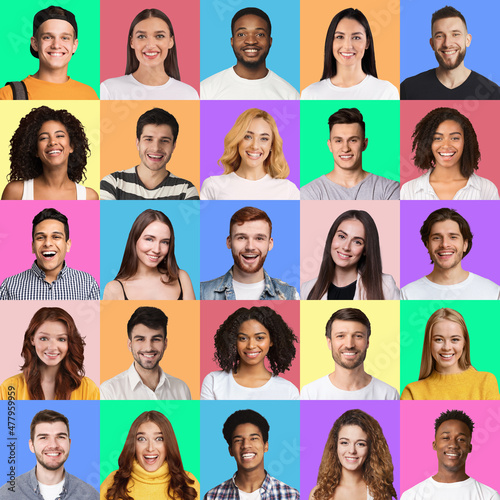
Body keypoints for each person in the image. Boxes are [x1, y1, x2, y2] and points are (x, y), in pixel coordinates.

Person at [401, 6, 500, 100]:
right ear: (432, 44)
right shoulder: (408, 89)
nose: (447, 44)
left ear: (468, 40)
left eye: (455, 34)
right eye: (440, 36)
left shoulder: (493, 94)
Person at [200, 206, 299, 300]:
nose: (250, 247)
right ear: (229, 242)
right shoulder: (202, 292)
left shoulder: (289, 294)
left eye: (259, 238)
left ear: (270, 244)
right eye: (241, 238)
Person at [0, 6, 98, 100]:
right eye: (48, 37)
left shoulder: (89, 95)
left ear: (74, 45)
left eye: (65, 38)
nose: (56, 45)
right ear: (35, 43)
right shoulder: (8, 96)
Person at [0, 307, 98, 400]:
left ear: (70, 342)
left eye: (61, 339)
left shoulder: (88, 389)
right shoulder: (10, 388)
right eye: (43, 338)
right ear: (32, 339)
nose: (52, 347)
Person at [201, 306, 299, 400]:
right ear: (233, 341)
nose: (251, 345)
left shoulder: (288, 391)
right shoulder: (214, 381)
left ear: (272, 341)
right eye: (243, 338)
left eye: (259, 338)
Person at [0, 208, 99, 300]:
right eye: (40, 237)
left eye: (56, 237)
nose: (47, 243)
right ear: (33, 246)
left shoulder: (88, 284)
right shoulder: (9, 286)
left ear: (68, 245)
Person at [100, 108, 199, 200]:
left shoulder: (186, 190)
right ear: (138, 143)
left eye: (164, 140)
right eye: (148, 139)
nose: (156, 148)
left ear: (173, 146)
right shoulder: (113, 183)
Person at [401, 107, 499, 200]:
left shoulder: (487, 189)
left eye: (455, 138)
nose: (446, 145)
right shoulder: (409, 190)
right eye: (438, 138)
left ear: (466, 142)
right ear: (428, 143)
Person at [401, 208, 500, 300]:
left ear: (465, 244)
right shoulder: (407, 294)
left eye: (453, 237)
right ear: (427, 245)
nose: (444, 244)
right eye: (436, 238)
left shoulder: (492, 293)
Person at [2, 106, 98, 200]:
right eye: (43, 138)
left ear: (71, 146)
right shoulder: (16, 192)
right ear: (35, 150)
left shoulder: (89, 197)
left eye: (59, 135)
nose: (52, 142)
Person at [200, 7, 299, 100]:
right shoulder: (206, 90)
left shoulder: (290, 95)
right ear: (232, 41)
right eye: (241, 34)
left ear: (270, 41)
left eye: (260, 34)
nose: (251, 41)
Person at [200, 109, 299, 200]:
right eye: (248, 137)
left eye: (264, 138)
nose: (255, 146)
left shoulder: (288, 190)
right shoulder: (213, 186)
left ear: (271, 146)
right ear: (237, 141)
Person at [301, 108, 399, 200]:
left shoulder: (389, 189)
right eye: (338, 141)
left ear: (364, 144)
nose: (345, 149)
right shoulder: (309, 192)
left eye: (353, 140)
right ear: (330, 145)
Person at [401, 308, 499, 400]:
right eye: (438, 339)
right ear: (429, 343)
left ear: (464, 342)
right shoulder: (412, 392)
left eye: (455, 339)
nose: (447, 347)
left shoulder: (486, 382)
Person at [100, 8, 198, 100]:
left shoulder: (188, 95)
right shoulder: (110, 90)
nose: (150, 45)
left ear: (170, 41)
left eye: (159, 36)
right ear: (132, 42)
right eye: (141, 36)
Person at [301, 8, 399, 100]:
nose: (347, 46)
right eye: (340, 37)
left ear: (367, 43)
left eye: (356, 37)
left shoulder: (386, 93)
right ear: (331, 42)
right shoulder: (311, 95)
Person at [301, 308, 399, 400]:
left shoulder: (388, 395)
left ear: (367, 342)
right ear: (329, 342)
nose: (349, 345)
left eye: (358, 336)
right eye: (340, 336)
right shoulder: (310, 394)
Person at [401, 410, 500, 499]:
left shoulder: (489, 496)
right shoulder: (411, 496)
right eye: (445, 438)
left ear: (470, 448)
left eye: (461, 439)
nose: (453, 445)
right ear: (435, 445)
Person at [301, 210, 400, 300]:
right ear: (331, 238)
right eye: (342, 236)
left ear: (365, 249)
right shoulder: (307, 288)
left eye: (357, 242)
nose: (346, 247)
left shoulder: (385, 286)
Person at [101, 411, 199, 500]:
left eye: (159, 439)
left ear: (168, 443)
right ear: (133, 445)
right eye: (142, 439)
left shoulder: (189, 483)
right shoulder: (113, 481)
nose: (150, 448)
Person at [204, 410, 299, 500]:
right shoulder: (213, 496)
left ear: (266, 446)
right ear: (231, 450)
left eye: (253, 438)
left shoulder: (290, 495)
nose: (246, 445)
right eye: (238, 440)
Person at [100, 306, 191, 400]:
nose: (148, 348)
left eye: (156, 339)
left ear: (165, 343)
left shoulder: (181, 389)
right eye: (140, 339)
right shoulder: (109, 391)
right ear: (130, 344)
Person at [103, 209, 195, 300]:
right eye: (149, 239)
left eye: (164, 242)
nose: (157, 250)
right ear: (134, 240)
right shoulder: (114, 289)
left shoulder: (182, 278)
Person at [309, 409, 397, 500]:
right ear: (335, 446)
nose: (352, 451)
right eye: (344, 443)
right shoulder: (319, 494)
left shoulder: (380, 493)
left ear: (371, 448)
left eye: (360, 444)